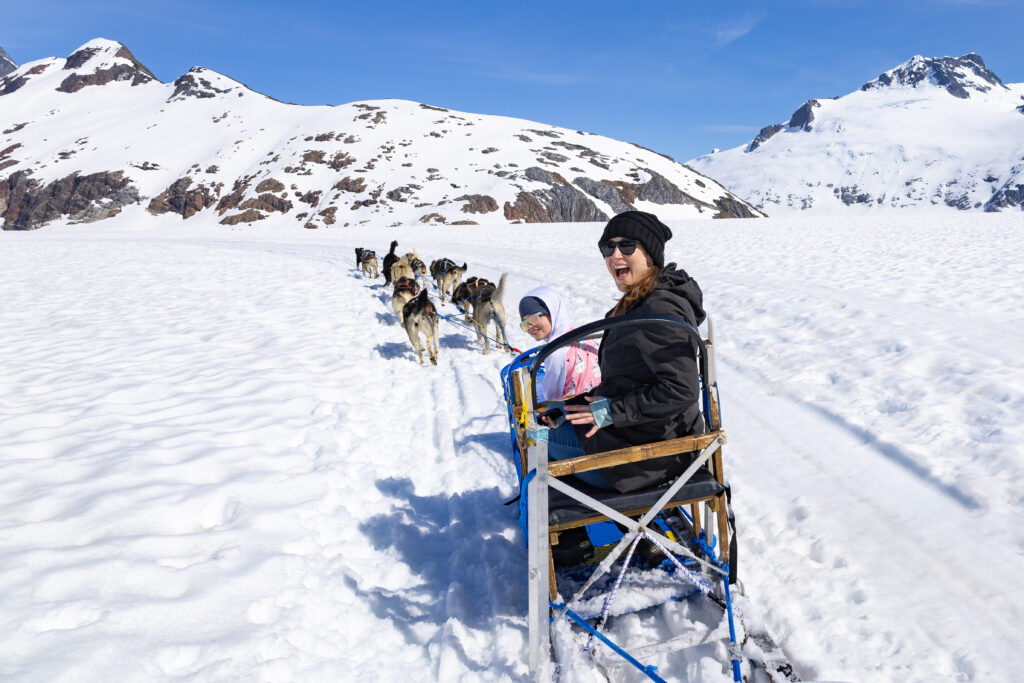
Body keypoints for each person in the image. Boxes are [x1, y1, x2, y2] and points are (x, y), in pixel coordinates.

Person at [543, 210, 707, 565]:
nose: (614, 255)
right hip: (646, 437)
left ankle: (573, 540)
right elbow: (630, 382)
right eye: (607, 247)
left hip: (652, 456)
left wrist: (606, 412)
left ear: (650, 254)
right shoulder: (643, 301)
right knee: (551, 419)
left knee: (536, 440)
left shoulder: (659, 307)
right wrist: (576, 403)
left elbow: (680, 389)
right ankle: (635, 529)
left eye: (626, 245)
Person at [518, 286, 601, 403]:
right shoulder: (585, 337)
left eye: (533, 319)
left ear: (552, 312)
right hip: (599, 403)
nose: (530, 327)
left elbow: (552, 395)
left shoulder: (555, 352)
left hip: (574, 411)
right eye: (525, 324)